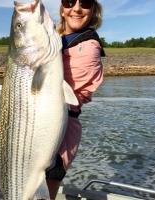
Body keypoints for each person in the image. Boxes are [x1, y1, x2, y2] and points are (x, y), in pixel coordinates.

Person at [45, 0, 105, 199]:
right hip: (29, 121)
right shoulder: (54, 37)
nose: (77, 8)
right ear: (62, 9)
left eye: (86, 3)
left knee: (42, 192)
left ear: (93, 10)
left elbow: (67, 94)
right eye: (69, 1)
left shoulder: (88, 47)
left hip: (58, 130)